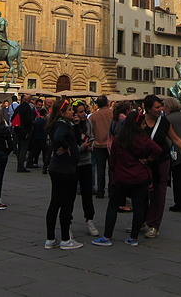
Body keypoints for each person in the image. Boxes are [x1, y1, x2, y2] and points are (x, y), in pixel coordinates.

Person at [92, 110, 162, 247]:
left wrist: (115, 169)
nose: (144, 126)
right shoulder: (143, 139)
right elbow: (158, 150)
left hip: (121, 176)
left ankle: (107, 236)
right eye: (142, 123)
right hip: (139, 176)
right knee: (138, 206)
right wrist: (147, 160)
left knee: (112, 205)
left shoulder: (119, 139)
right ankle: (133, 238)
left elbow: (112, 159)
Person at [141, 95, 181, 239]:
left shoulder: (165, 121)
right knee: (142, 193)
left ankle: (154, 224)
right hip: (145, 162)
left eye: (161, 106)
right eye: (157, 107)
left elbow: (174, 139)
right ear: (148, 109)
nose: (160, 109)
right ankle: (142, 220)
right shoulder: (139, 122)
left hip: (163, 159)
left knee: (160, 192)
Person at [45, 100, 83, 250]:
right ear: (61, 113)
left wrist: (77, 125)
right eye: (68, 110)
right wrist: (67, 148)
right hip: (65, 169)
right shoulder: (62, 125)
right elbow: (59, 138)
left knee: (55, 203)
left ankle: (50, 239)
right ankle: (66, 239)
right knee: (66, 204)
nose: (72, 112)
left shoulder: (60, 123)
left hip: (57, 168)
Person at [72, 100, 99, 237]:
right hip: (73, 164)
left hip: (86, 162)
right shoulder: (71, 126)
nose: (84, 114)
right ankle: (68, 223)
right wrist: (82, 147)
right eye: (80, 112)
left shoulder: (88, 123)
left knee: (87, 194)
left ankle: (89, 221)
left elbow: (92, 137)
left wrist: (91, 146)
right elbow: (72, 145)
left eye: (84, 111)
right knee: (70, 196)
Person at [89, 95, 113, 198]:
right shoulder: (113, 114)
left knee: (100, 169)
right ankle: (112, 191)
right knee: (112, 169)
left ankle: (100, 191)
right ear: (107, 103)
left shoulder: (93, 116)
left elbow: (90, 131)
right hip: (111, 145)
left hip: (98, 145)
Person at [12, 94, 35, 173]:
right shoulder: (27, 108)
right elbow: (29, 120)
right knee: (24, 148)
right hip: (25, 130)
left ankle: (19, 164)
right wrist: (30, 127)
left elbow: (13, 118)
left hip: (18, 130)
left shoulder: (19, 107)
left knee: (20, 148)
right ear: (28, 100)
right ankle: (21, 166)